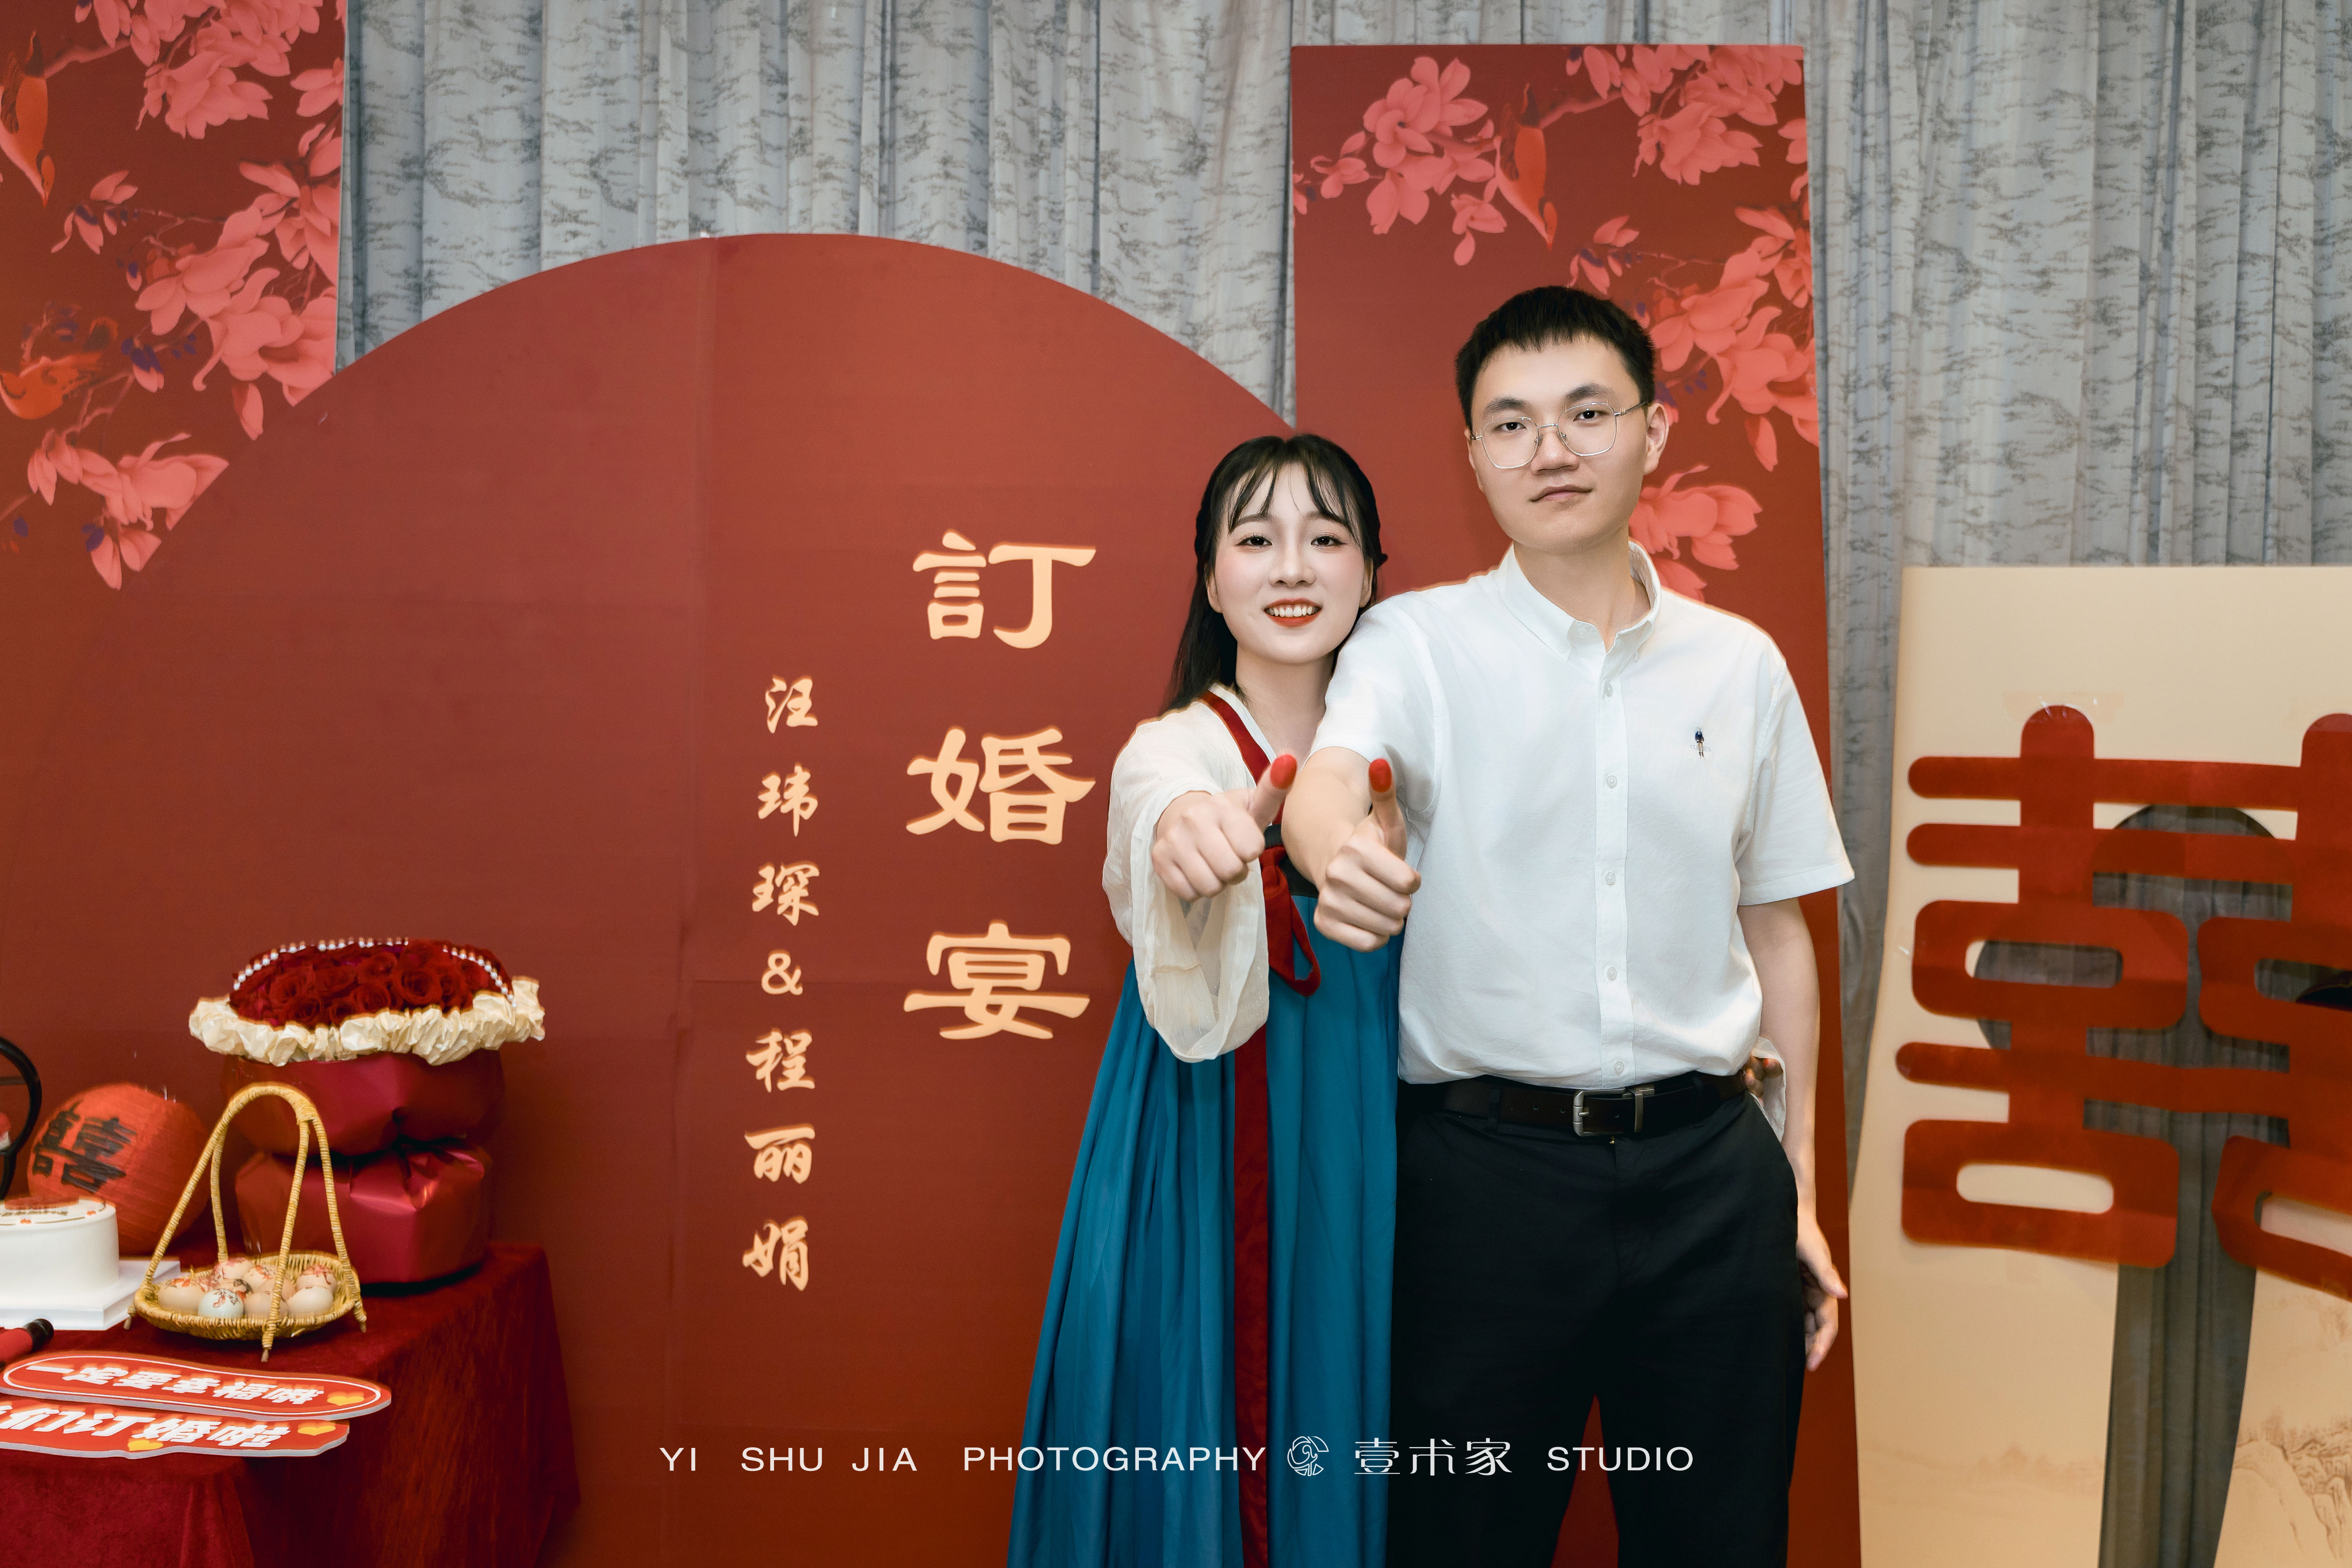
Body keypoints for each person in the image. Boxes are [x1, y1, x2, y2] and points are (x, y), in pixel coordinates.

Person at [1283, 286, 1854, 1567]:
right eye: (1511, 423)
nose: (1549, 449)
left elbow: (1777, 932)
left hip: (1712, 1175)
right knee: (1459, 1539)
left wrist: (1800, 1196)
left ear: (1653, 431)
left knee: (1719, 1542)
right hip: (1483, 1186)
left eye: (1586, 414)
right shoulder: (1413, 642)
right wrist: (1332, 854)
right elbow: (1332, 780)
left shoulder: (1739, 665)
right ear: (1471, 452)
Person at [1009, 433, 1400, 1568]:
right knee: (1193, 1403)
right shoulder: (1171, 746)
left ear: (1371, 571)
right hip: (1199, 1136)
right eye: (1256, 540)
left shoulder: (1411, 753)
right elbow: (1162, 812)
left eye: (1326, 538)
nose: (1293, 567)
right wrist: (1192, 831)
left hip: (1370, 1135)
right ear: (1211, 580)